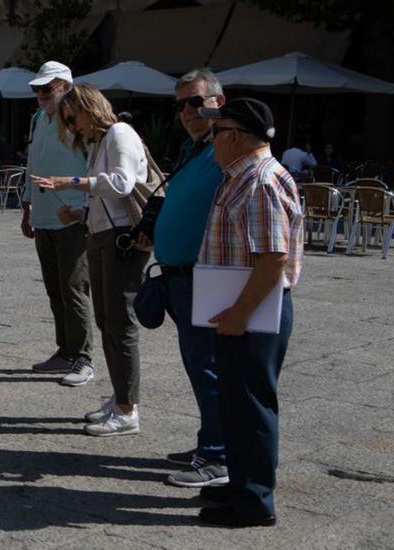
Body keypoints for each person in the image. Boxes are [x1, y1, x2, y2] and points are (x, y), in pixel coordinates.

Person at [195, 98, 302, 528]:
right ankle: (242, 483)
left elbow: (272, 258)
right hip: (240, 309)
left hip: (253, 312)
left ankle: (255, 502)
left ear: (235, 136)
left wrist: (240, 313)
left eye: (216, 131)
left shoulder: (258, 180)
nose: (211, 140)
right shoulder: (241, 175)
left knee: (252, 406)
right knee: (236, 405)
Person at [34, 84, 150, 437]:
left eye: (73, 118)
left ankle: (128, 410)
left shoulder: (118, 133)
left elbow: (122, 183)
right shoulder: (99, 142)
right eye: (67, 122)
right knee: (107, 320)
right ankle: (120, 400)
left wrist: (71, 182)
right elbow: (106, 195)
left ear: (88, 107)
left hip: (121, 240)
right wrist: (81, 212)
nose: (72, 127)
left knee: (119, 323)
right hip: (102, 236)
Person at [140, 68, 228, 488]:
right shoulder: (193, 149)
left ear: (217, 102)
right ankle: (210, 439)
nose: (188, 112)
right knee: (199, 366)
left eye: (196, 102)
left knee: (210, 367)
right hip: (179, 277)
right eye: (180, 105)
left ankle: (218, 455)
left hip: (205, 276)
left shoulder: (227, 148)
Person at [19, 61, 96, 386]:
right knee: (55, 288)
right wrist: (26, 207)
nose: (40, 95)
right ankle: (65, 350)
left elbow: (94, 168)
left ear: (66, 86)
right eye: (38, 90)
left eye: (47, 89)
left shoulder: (77, 121)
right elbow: (32, 164)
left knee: (73, 287)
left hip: (73, 216)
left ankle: (83, 358)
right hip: (45, 215)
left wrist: (84, 208)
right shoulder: (39, 119)